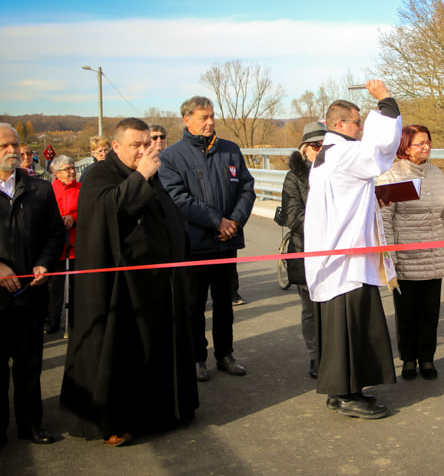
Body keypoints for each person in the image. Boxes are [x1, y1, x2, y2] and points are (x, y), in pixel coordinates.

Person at [60, 118, 197, 446]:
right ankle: (114, 421)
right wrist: (140, 177)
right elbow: (109, 210)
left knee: (156, 347)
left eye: (147, 144)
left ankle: (162, 412)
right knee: (122, 352)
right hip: (119, 288)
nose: (143, 150)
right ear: (116, 146)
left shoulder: (151, 174)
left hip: (155, 283)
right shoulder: (98, 176)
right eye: (136, 145)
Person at [304, 80, 400, 419]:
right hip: (343, 261)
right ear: (339, 125)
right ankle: (344, 394)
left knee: (351, 327)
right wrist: (385, 101)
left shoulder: (331, 153)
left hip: (343, 257)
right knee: (348, 328)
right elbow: (379, 151)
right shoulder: (342, 151)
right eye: (357, 122)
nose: (361, 127)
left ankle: (347, 390)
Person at [159, 96, 256, 382]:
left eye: (212, 116)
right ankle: (197, 358)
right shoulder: (172, 157)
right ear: (187, 120)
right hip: (194, 244)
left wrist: (235, 221)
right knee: (194, 305)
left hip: (226, 243)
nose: (210, 122)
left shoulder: (230, 150)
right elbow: (178, 198)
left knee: (225, 303)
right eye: (204, 117)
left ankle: (225, 354)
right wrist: (217, 221)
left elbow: (247, 188)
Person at [0, 123, 65, 447]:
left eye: (15, 145)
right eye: (4, 146)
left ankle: (30, 426)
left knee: (28, 367)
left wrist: (45, 263)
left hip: (30, 295)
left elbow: (56, 233)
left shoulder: (40, 189)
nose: (12, 151)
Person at [380, 125, 444, 380]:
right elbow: (385, 218)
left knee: (430, 311)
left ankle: (427, 358)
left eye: (428, 142)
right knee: (406, 312)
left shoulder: (436, 174)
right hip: (407, 256)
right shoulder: (392, 174)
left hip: (434, 253)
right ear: (405, 147)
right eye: (419, 143)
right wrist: (390, 257)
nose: (426, 147)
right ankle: (408, 359)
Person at [280, 121, 326, 379]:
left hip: (334, 254)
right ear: (304, 149)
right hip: (305, 250)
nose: (320, 150)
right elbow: (293, 216)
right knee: (310, 309)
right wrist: (326, 227)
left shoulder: (337, 172)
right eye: (315, 145)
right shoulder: (294, 177)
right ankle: (315, 356)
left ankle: (334, 354)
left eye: (324, 145)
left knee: (332, 308)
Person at [45, 155, 80, 335]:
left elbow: (89, 210)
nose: (72, 171)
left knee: (77, 287)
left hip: (76, 245)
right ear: (57, 173)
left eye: (73, 167)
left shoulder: (82, 189)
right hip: (57, 247)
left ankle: (75, 321)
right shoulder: (48, 190)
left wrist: (73, 218)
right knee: (54, 288)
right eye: (68, 169)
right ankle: (53, 321)